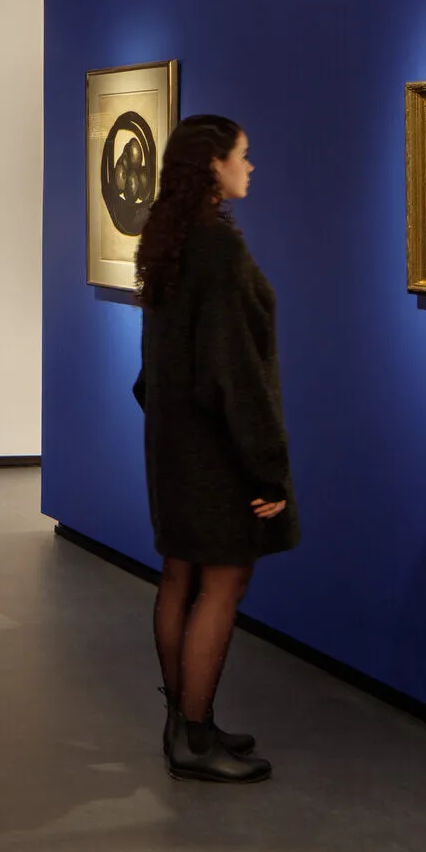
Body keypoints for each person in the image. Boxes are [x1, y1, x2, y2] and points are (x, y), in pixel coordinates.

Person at [132, 115, 296, 783]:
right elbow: (233, 371)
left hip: (172, 441)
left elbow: (157, 364)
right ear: (213, 166)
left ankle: (182, 721)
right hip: (215, 448)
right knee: (222, 583)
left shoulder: (167, 238)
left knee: (178, 577)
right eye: (243, 156)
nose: (250, 167)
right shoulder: (217, 248)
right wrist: (267, 468)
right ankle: (195, 741)